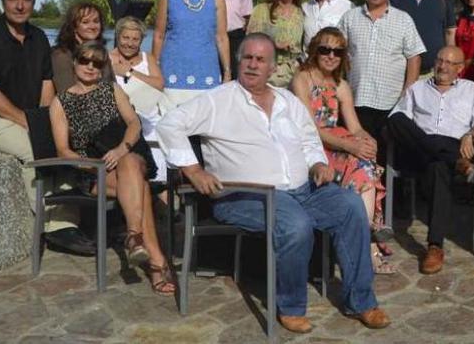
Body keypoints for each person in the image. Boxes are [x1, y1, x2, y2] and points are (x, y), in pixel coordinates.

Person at [157, 33, 390, 333]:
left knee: (350, 206)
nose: (253, 65)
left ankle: (361, 301)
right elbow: (169, 124)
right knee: (295, 224)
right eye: (248, 58)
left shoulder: (287, 101)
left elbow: (308, 139)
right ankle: (291, 305)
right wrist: (193, 170)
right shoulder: (218, 100)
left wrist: (317, 163)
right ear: (239, 61)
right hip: (245, 196)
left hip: (302, 189)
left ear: (272, 68)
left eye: (260, 60)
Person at [0, 0, 93, 255]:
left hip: (28, 118)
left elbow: (47, 86)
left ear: (33, 1)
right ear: (3, 1)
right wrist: (31, 125)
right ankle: (55, 227)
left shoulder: (39, 38)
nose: (19, 6)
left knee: (62, 147)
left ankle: (69, 222)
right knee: (36, 149)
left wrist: (46, 123)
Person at [49, 42, 174, 295]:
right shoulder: (60, 102)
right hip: (93, 171)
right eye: (85, 61)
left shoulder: (112, 90)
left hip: (128, 155)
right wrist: (95, 166)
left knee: (130, 165)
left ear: (103, 67)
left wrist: (120, 150)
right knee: (140, 186)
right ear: (75, 62)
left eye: (97, 63)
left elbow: (134, 123)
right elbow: (63, 150)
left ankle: (135, 238)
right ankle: (155, 260)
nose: (90, 67)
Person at [290, 28, 395, 275]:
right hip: (312, 145)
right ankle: (368, 240)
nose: (331, 56)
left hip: (336, 142)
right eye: (325, 49)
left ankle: (365, 233)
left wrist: (369, 142)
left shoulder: (341, 85)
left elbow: (355, 127)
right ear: (315, 50)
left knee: (365, 161)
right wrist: (351, 145)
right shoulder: (302, 80)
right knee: (359, 162)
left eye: (337, 51)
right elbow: (309, 129)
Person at [387, 46, 474, 274]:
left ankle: (434, 246)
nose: (442, 66)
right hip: (418, 152)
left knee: (437, 166)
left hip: (454, 146)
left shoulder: (471, 90)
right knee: (396, 119)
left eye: (449, 63)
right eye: (439, 60)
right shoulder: (417, 88)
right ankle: (455, 161)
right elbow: (397, 119)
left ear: (460, 68)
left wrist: (471, 135)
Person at [337, 0, 426, 164]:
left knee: (386, 158)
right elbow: (337, 51)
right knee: (357, 158)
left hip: (389, 102)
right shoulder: (350, 17)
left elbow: (414, 57)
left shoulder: (403, 19)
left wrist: (407, 91)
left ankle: (386, 195)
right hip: (356, 100)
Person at [152, 0, 231, 105]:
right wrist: (154, 70)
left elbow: (222, 38)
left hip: (207, 71)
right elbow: (159, 36)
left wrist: (227, 72)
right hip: (172, 72)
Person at [109, 16, 169, 185]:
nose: (129, 43)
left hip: (149, 118)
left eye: (135, 39)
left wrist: (129, 72)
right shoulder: (107, 59)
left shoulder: (147, 58)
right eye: (125, 37)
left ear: (142, 40)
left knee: (159, 176)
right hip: (123, 120)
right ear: (118, 36)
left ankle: (162, 199)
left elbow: (159, 84)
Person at [246, 0, 305, 87]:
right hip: (267, 74)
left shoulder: (301, 13)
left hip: (293, 76)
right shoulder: (262, 10)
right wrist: (273, 44)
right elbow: (250, 41)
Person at [52, 2, 113, 94]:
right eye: (85, 22)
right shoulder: (61, 55)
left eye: (96, 21)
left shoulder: (101, 52)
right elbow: (67, 94)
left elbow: (112, 85)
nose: (92, 26)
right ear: (74, 27)